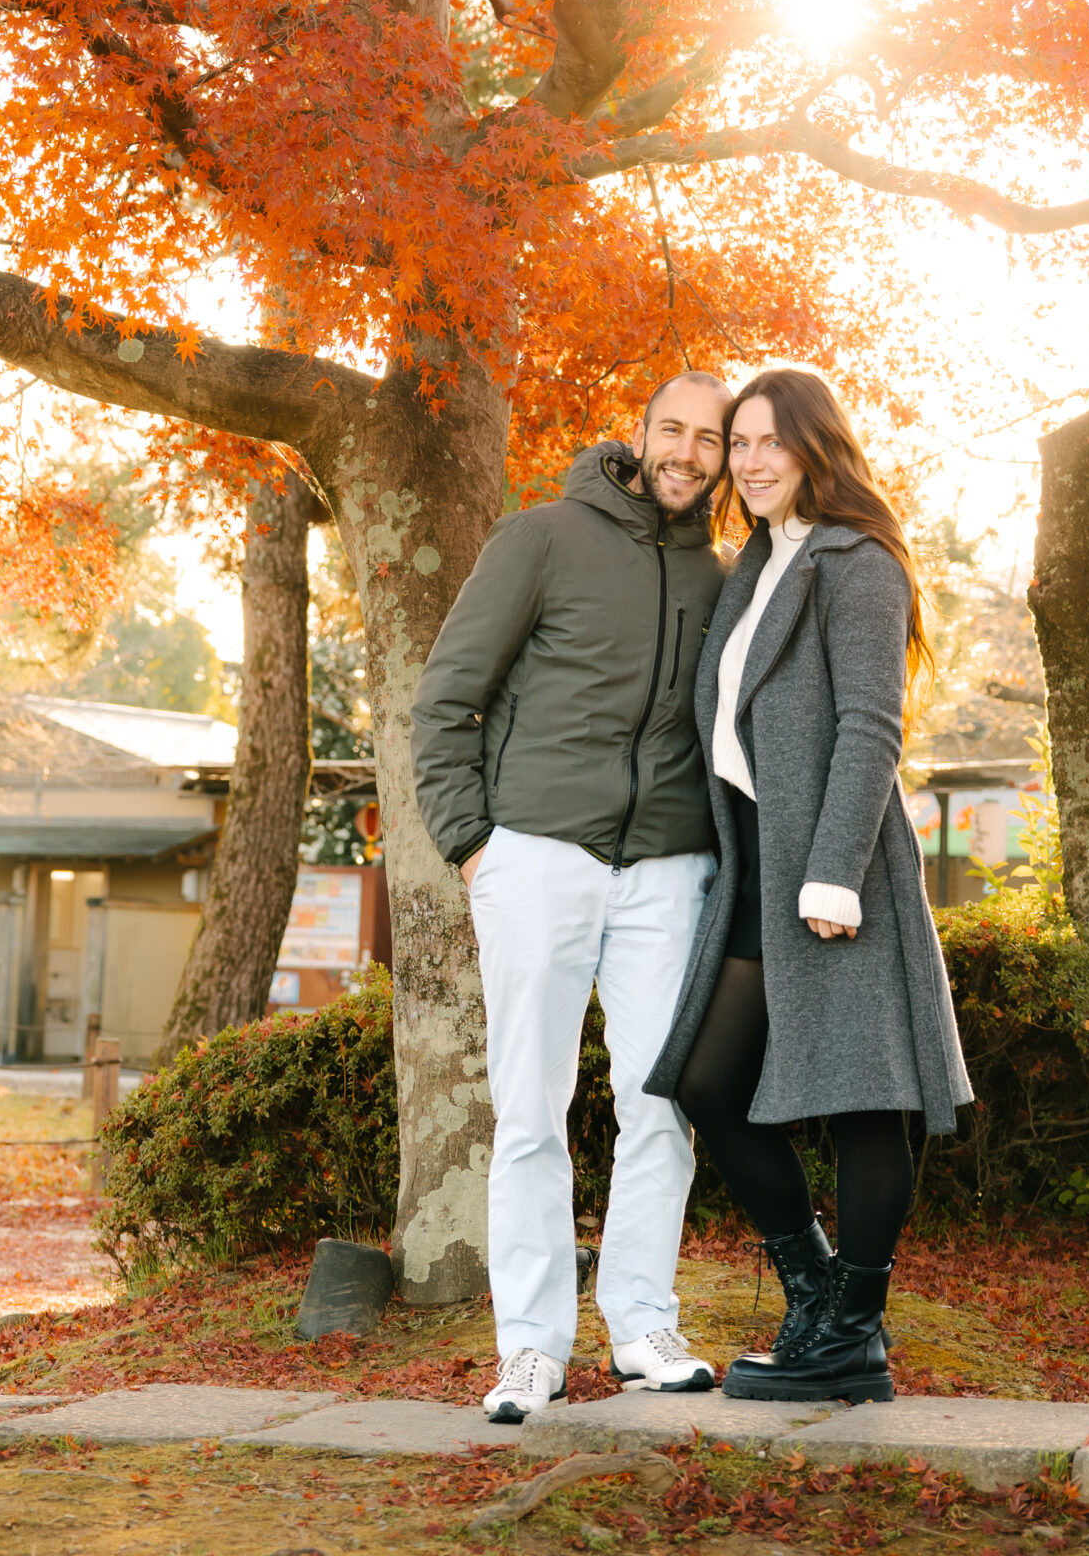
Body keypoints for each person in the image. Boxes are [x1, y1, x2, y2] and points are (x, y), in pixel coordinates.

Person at [645, 368, 973, 1404]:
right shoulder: (754, 563)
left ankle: (852, 1330)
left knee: (865, 1100)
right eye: (736, 443)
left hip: (837, 871)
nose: (746, 461)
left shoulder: (856, 560)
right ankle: (819, 1294)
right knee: (707, 1081)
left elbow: (873, 724)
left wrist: (835, 869)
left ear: (815, 445)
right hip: (756, 864)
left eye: (767, 441)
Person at [411, 372, 731, 1423]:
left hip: (665, 866)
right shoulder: (541, 536)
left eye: (711, 438)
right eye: (673, 429)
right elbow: (448, 695)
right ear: (639, 436)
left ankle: (641, 1322)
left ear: (727, 459)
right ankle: (532, 1349)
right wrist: (473, 843)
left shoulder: (724, 577)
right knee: (530, 1108)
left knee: (662, 1099)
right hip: (537, 853)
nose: (688, 450)